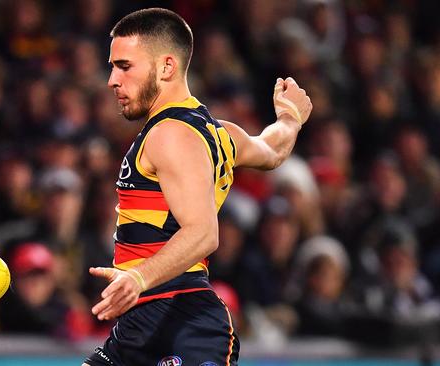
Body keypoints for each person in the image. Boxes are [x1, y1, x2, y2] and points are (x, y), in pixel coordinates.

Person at [84, 8, 312, 366]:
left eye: (125, 66)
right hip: (142, 323)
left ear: (167, 67)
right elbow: (271, 149)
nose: (113, 79)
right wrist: (290, 118)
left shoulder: (171, 135)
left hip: (180, 318)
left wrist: (138, 278)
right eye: (113, 66)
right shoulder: (219, 133)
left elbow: (204, 233)